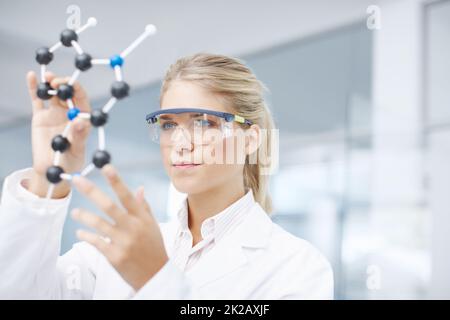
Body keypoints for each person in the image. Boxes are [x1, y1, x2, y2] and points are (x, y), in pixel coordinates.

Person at [0, 53, 333, 299]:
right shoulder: (115, 249)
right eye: (169, 125)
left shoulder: (297, 268)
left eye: (205, 122)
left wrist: (155, 279)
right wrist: (49, 176)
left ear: (250, 139)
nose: (181, 144)